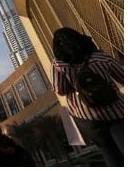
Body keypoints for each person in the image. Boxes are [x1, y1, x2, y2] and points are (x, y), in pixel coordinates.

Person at [52, 27, 123, 166]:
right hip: (115, 110)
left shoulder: (58, 64)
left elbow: (60, 89)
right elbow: (122, 75)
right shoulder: (99, 56)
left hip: (86, 116)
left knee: (108, 151)